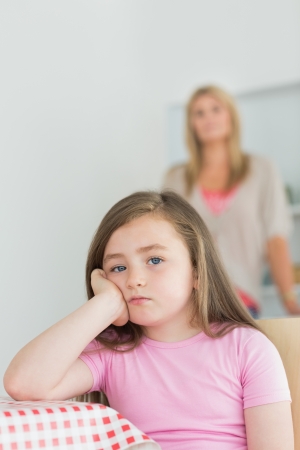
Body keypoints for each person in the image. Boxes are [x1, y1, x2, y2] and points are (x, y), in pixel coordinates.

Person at [4, 191, 293, 450]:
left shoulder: (248, 349)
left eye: (154, 260)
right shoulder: (112, 352)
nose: (134, 280)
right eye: (118, 267)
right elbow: (23, 384)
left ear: (196, 271)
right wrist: (104, 304)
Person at [163, 85, 300, 318]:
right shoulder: (176, 178)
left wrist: (289, 300)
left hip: (241, 299)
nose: (208, 118)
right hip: (187, 301)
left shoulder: (262, 170)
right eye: (199, 113)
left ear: (230, 116)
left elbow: (275, 239)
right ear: (191, 125)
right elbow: (165, 243)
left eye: (216, 109)